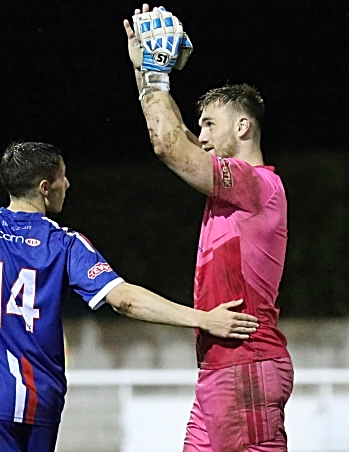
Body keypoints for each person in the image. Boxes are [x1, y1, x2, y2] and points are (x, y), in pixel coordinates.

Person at [0, 141, 260, 452]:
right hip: (42, 402)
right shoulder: (65, 243)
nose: (68, 183)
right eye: (63, 176)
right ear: (44, 187)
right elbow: (125, 299)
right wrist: (203, 318)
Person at [124, 5, 293, 451]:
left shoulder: (256, 185)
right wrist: (146, 77)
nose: (199, 135)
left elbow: (168, 143)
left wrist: (157, 77)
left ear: (243, 127)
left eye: (208, 125)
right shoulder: (235, 192)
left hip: (246, 364)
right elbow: (172, 135)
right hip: (224, 368)